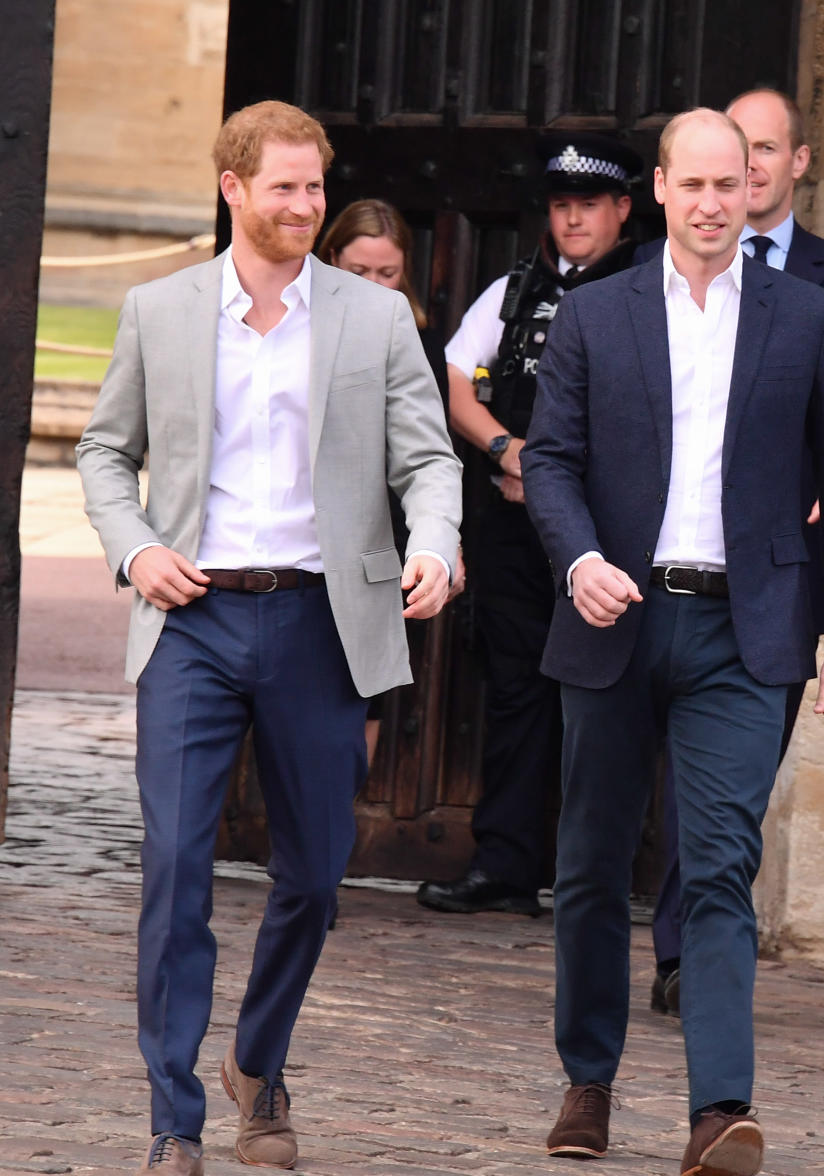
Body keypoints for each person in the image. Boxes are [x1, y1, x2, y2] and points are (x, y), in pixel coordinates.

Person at [76, 101, 461, 1176]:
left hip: (320, 619)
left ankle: (259, 1055)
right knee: (176, 867)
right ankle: (174, 1121)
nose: (304, 205)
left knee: (315, 873)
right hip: (190, 618)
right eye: (284, 186)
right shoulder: (159, 310)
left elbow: (427, 460)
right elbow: (107, 453)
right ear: (232, 187)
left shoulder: (372, 320)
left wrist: (437, 541)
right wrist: (135, 549)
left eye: (314, 186)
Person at [521, 108, 824, 1174]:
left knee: (721, 863)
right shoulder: (599, 313)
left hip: (746, 630)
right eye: (699, 185)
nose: (718, 203)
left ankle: (719, 1110)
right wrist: (579, 559)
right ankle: (587, 1081)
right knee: (589, 864)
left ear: (757, 190)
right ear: (662, 193)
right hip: (615, 619)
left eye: (736, 183)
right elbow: (550, 460)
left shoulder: (807, 317)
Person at [638, 87, 824, 1018]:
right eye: (719, 160)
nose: (740, 174)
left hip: (776, 575)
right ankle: (679, 950)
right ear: (672, 184)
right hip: (664, 576)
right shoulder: (649, 284)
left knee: (729, 789)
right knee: (662, 784)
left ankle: (701, 949)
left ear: (795, 162)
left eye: (759, 151)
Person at [416, 132, 642, 917]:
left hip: (609, 535)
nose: (573, 220)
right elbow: (452, 381)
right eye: (560, 206)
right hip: (514, 534)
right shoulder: (516, 290)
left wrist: (560, 484)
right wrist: (509, 450)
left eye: (588, 205)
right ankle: (507, 867)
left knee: (603, 702)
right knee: (516, 692)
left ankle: (592, 881)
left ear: (622, 209)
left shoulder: (653, 290)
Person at [318, 198, 466, 766]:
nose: (376, 287)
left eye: (388, 273)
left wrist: (447, 540)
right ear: (330, 257)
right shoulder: (293, 331)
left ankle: (341, 816)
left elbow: (434, 453)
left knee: (369, 690)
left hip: (394, 540)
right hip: (312, 535)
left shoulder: (422, 343)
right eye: (360, 272)